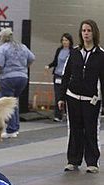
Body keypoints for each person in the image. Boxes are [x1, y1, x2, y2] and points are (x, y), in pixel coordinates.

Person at [58, 19, 104, 174]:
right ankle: (73, 160)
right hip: (72, 97)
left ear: (94, 33)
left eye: (89, 30)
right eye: (84, 31)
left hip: (91, 100)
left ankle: (92, 162)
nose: (86, 33)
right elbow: (65, 76)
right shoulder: (75, 53)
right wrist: (61, 97)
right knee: (74, 130)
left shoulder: (101, 55)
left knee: (91, 130)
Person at [0, 27, 35, 138]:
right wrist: (24, 68)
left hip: (8, 78)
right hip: (22, 78)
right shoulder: (22, 47)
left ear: (3, 38)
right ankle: (15, 127)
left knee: (7, 103)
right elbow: (32, 58)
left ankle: (11, 129)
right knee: (14, 101)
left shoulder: (3, 48)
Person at [45, 33, 73, 122]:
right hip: (57, 75)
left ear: (70, 41)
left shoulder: (72, 51)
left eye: (66, 40)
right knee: (58, 95)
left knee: (67, 95)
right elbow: (55, 62)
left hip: (67, 76)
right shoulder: (59, 50)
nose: (64, 42)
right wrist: (49, 66)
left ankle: (69, 114)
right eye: (63, 40)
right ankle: (58, 115)